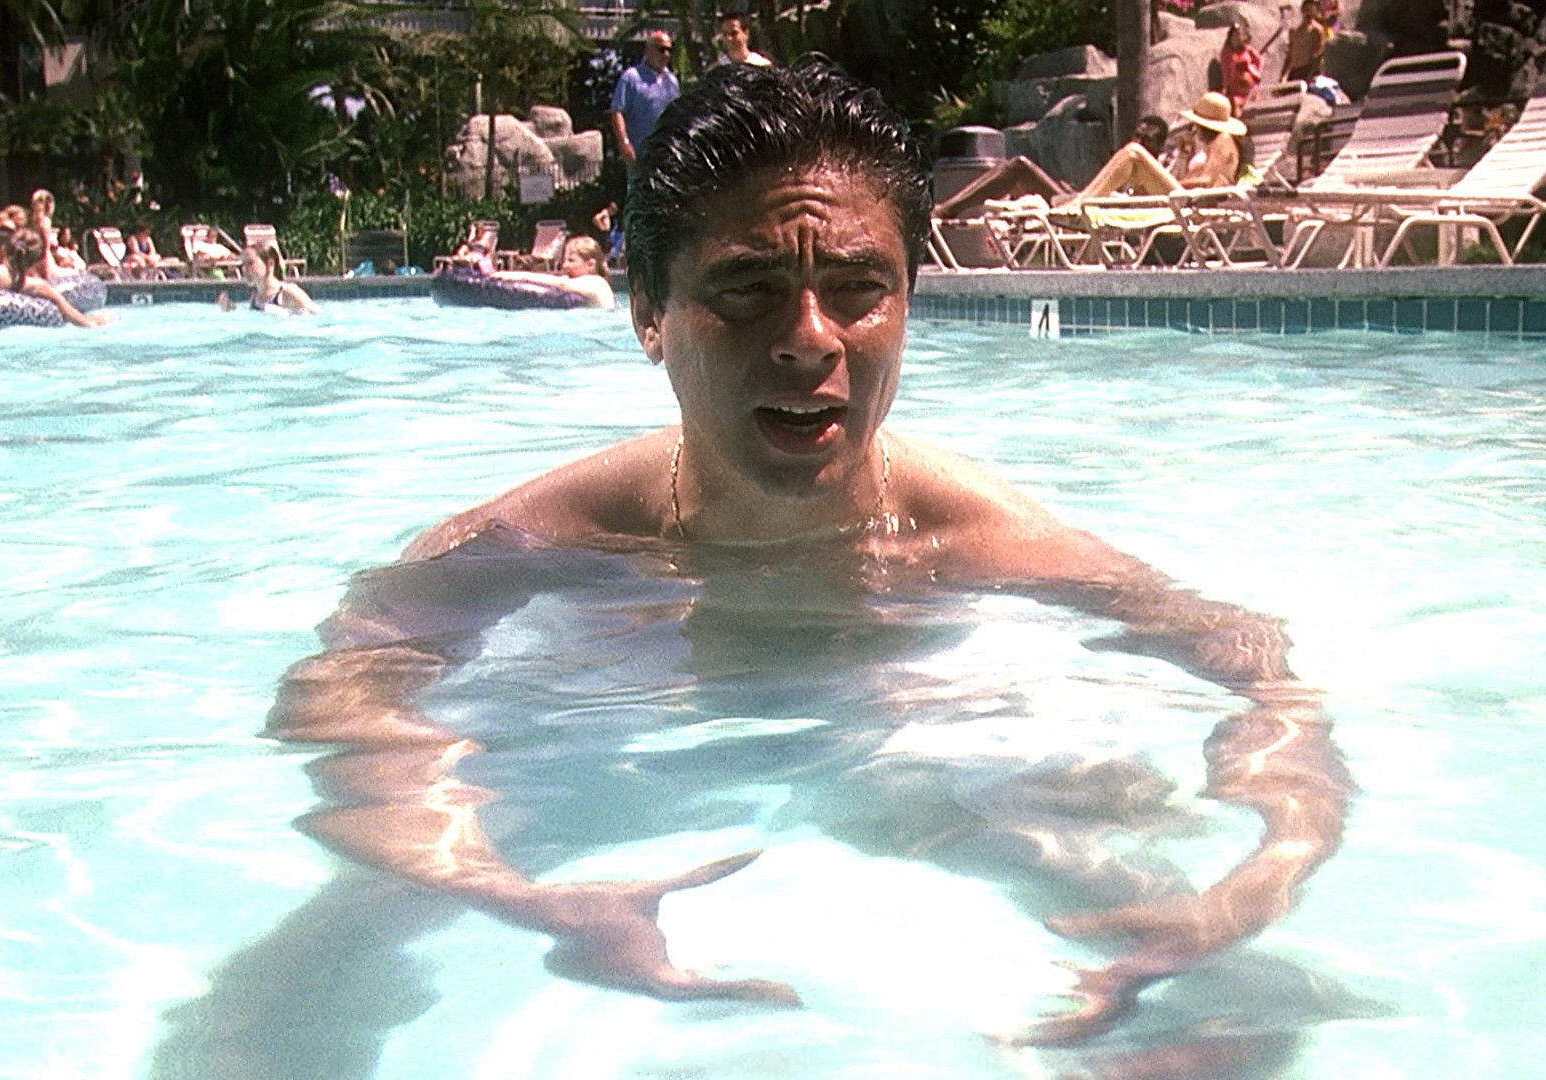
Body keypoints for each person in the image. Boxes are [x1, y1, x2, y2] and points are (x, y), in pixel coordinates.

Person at [255, 57, 1346, 1057]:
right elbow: (341, 691)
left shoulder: (974, 533)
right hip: (620, 753)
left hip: (909, 750)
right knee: (298, 977)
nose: (811, 337)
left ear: (908, 305)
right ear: (649, 312)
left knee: (1235, 994)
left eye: (859, 288)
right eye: (749, 288)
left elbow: (1260, 672)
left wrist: (1259, 870)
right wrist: (515, 895)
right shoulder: (542, 536)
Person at [1074, 92, 1247, 198]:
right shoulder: (1211, 143)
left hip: (1190, 202)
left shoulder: (1223, 140)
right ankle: (1083, 200)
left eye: (1197, 123)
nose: (1194, 128)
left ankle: (1080, 203)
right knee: (1130, 168)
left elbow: (1207, 181)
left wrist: (1172, 182)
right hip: (1186, 198)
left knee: (1134, 152)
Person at [610, 30, 681, 167]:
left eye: (669, 50)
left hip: (667, 155)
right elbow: (617, 112)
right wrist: (624, 142)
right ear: (649, 50)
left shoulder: (672, 81)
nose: (666, 54)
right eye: (661, 49)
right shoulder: (631, 77)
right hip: (639, 155)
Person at [482, 234, 614, 308]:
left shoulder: (597, 282)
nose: (565, 265)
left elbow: (561, 283)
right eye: (564, 260)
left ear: (590, 264)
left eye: (571, 261)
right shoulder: (582, 281)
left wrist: (515, 276)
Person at [241, 243, 318, 314]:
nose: (245, 269)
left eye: (250, 263)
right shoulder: (255, 297)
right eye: (243, 264)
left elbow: (315, 315)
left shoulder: (288, 292)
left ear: (270, 264)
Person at [1282, 0, 1332, 82]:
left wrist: (1311, 75)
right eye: (1308, 12)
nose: (1310, 16)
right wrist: (1283, 74)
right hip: (1294, 71)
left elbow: (1318, 55)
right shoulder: (1294, 31)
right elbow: (1290, 54)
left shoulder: (1316, 31)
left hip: (1308, 72)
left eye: (1312, 14)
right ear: (1303, 11)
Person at [1219, 22, 1264, 112]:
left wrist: (1254, 70)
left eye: (1239, 35)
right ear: (1230, 36)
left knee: (1255, 106)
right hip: (1236, 90)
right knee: (1235, 105)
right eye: (1235, 35)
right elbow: (1226, 71)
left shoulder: (1247, 49)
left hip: (1250, 90)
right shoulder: (1227, 52)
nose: (1238, 37)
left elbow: (1259, 59)